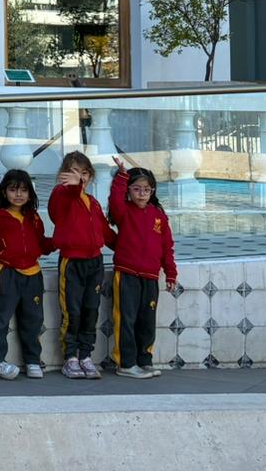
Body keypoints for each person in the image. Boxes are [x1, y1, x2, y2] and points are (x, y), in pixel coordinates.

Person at [107, 156, 177, 379]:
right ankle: (126, 363)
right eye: (136, 189)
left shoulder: (159, 216)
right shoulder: (124, 211)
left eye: (146, 189)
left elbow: (167, 247)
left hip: (150, 276)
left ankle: (144, 360)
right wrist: (121, 176)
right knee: (126, 319)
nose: (141, 194)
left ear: (152, 191)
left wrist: (171, 273)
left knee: (147, 320)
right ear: (129, 190)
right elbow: (115, 201)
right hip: (126, 274)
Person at [48, 150, 114, 379]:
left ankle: (85, 355)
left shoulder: (92, 203)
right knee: (72, 311)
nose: (80, 177)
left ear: (90, 176)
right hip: (72, 263)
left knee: (90, 311)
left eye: (84, 173)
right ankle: (70, 357)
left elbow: (105, 232)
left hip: (94, 262)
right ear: (63, 175)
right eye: (74, 172)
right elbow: (58, 208)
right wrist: (74, 185)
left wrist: (129, 247)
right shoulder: (61, 195)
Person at [0, 169, 52, 380]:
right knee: (1, 317)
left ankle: (32, 360)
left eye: (23, 190)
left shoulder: (34, 218)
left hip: (33, 273)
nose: (18, 195)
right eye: (13, 190)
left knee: (33, 319)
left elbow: (41, 244)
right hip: (7, 273)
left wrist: (59, 240)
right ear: (4, 192)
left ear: (30, 194)